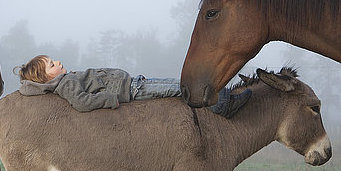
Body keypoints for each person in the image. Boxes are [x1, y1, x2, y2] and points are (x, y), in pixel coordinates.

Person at [16, 55, 251, 118]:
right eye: (51, 64)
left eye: (53, 60)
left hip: (134, 83)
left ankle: (223, 98)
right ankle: (224, 105)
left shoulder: (67, 78)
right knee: (184, 87)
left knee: (181, 85)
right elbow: (82, 102)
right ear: (46, 78)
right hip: (131, 90)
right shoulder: (65, 84)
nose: (57, 62)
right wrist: (110, 99)